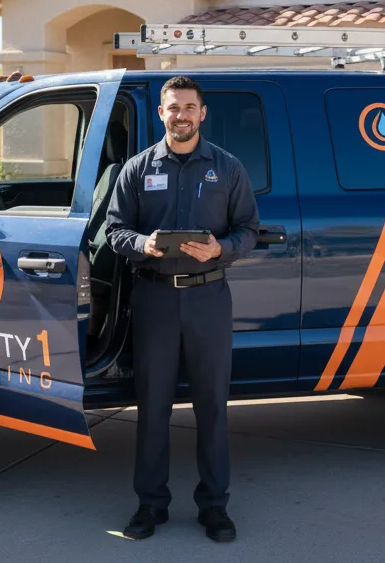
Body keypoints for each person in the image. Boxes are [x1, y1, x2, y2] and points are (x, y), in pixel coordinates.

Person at [105, 75, 259, 542]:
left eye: (189, 107)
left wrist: (221, 249)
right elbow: (115, 230)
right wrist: (142, 243)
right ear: (161, 113)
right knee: (152, 407)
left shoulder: (228, 168)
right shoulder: (137, 169)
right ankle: (150, 505)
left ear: (203, 113)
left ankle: (215, 507)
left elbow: (249, 229)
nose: (182, 115)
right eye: (173, 108)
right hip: (154, 298)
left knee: (212, 406)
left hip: (209, 298)